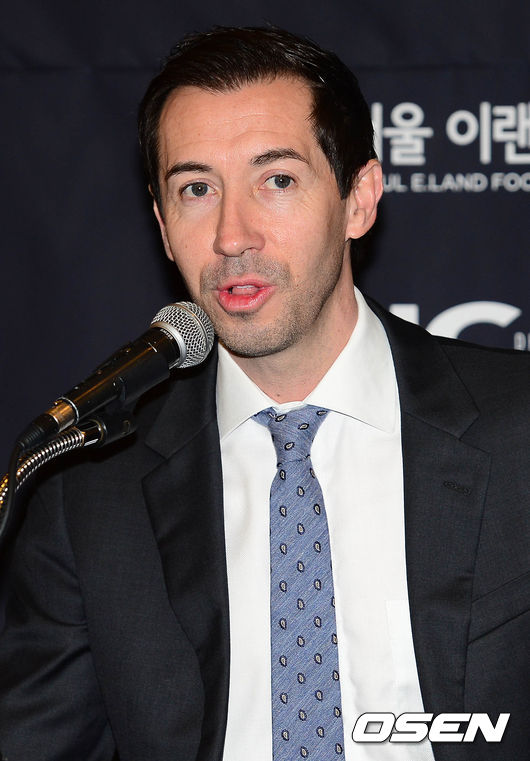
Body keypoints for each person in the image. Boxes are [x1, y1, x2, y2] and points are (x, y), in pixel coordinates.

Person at [0, 25, 529, 761]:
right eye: (196, 189)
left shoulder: (518, 432)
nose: (232, 235)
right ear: (162, 226)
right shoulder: (89, 489)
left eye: (276, 180)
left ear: (359, 199)